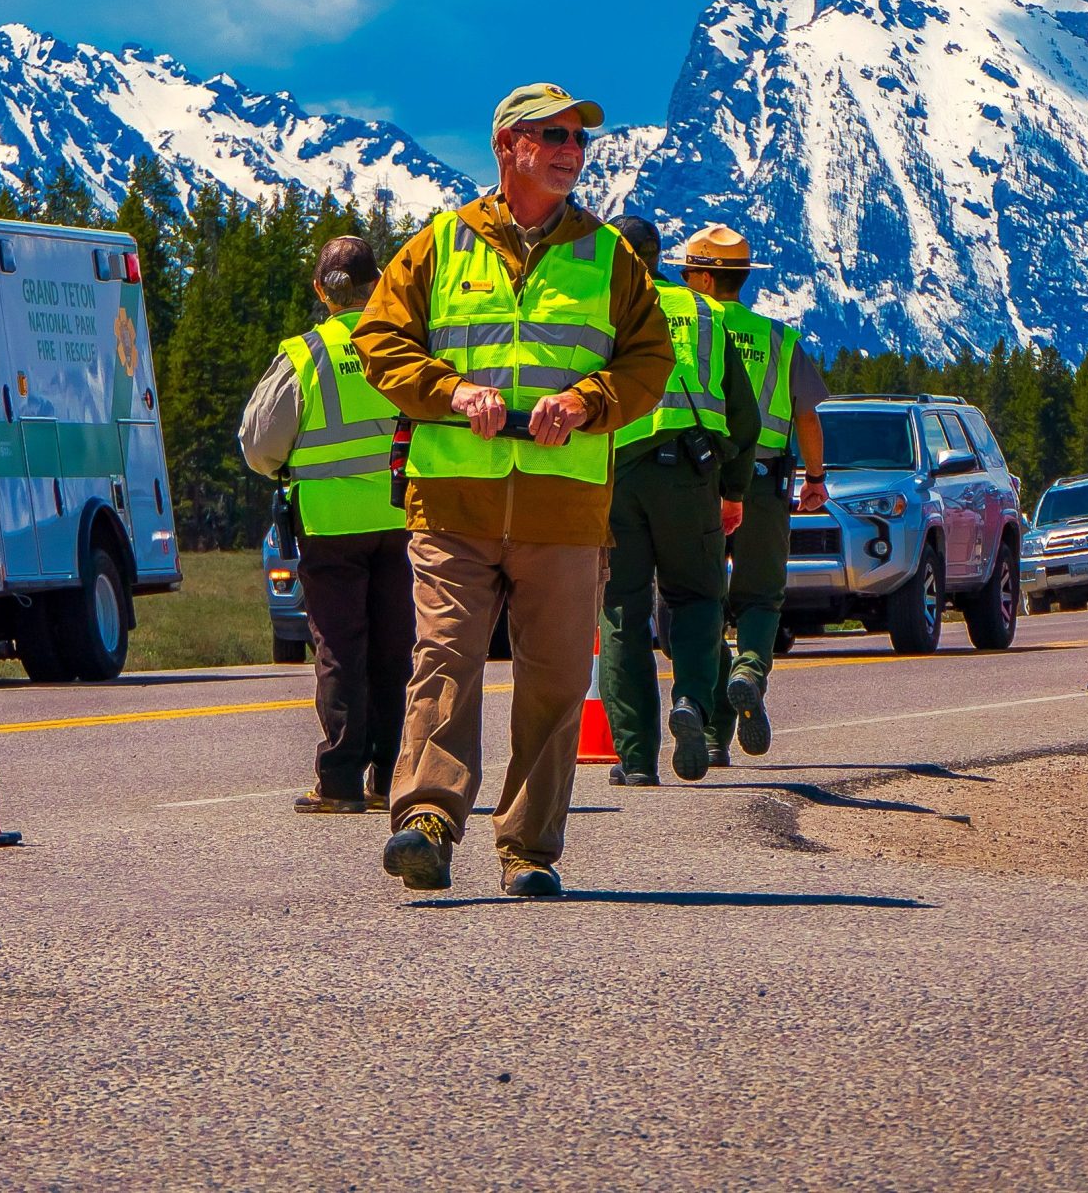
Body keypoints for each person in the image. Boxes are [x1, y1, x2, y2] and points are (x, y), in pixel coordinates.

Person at [351, 83, 674, 899]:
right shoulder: (438, 245)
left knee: (558, 679)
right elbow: (379, 341)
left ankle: (528, 850)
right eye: (554, 136)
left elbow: (650, 363)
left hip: (565, 511)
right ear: (507, 146)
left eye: (580, 140)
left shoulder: (611, 258)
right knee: (445, 661)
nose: (572, 150)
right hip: (453, 499)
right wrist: (453, 392)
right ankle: (426, 822)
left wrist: (589, 402)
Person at [239, 236, 413, 815]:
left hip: (330, 524)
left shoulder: (304, 356)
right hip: (401, 518)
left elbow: (259, 444)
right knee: (395, 648)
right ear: (379, 283)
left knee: (340, 648)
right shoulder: (408, 345)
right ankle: (391, 775)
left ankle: (339, 780)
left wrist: (285, 467)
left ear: (321, 289)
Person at [599, 217, 760, 785]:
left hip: (613, 475)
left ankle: (636, 758)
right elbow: (746, 415)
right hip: (692, 474)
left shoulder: (594, 308)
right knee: (695, 598)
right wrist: (734, 489)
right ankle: (690, 699)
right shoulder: (704, 312)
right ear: (660, 254)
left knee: (622, 611)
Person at [671, 224, 827, 760]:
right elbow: (808, 415)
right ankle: (750, 671)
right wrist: (815, 479)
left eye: (688, 273)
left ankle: (714, 734)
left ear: (707, 278)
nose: (685, 281)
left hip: (698, 479)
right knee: (761, 594)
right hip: (763, 480)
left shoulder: (692, 332)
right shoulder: (779, 339)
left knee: (701, 598)